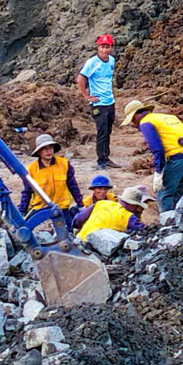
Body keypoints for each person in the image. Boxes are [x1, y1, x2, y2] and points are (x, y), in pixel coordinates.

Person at [127, 101, 183, 212]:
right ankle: (181, 220)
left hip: (178, 157)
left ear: (135, 115)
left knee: (164, 193)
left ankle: (168, 223)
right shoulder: (166, 117)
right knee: (178, 190)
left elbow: (157, 149)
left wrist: (158, 172)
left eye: (132, 120)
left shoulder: (145, 123)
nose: (134, 125)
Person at [20, 134, 80, 219]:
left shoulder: (64, 164)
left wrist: (80, 205)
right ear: (39, 151)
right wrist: (22, 211)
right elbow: (27, 192)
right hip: (40, 210)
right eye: (45, 149)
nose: (48, 151)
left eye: (50, 148)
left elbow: (73, 186)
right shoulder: (31, 169)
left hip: (62, 209)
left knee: (69, 230)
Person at [79, 35, 116, 167]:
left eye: (107, 47)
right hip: (98, 104)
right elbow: (81, 79)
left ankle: (107, 157)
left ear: (111, 48)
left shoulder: (111, 60)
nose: (104, 50)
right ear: (98, 47)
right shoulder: (92, 62)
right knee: (102, 131)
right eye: (102, 47)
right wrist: (87, 96)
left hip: (110, 101)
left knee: (108, 131)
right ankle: (101, 161)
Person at [75, 175, 136, 242]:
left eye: (105, 189)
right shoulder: (86, 203)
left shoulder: (114, 199)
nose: (102, 192)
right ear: (93, 189)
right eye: (100, 189)